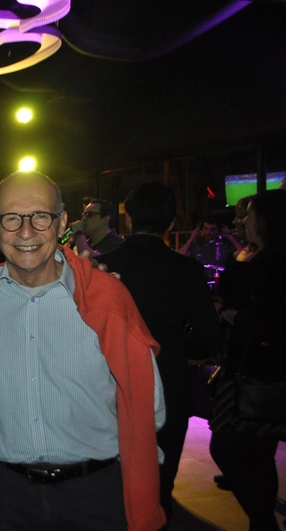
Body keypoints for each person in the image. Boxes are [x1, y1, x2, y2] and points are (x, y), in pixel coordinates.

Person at [0, 172, 166, 531]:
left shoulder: (105, 297)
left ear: (61, 223)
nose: (26, 232)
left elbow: (149, 404)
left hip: (95, 495)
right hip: (3, 496)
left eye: (40, 216)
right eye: (11, 218)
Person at [96, 182, 223, 524]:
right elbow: (211, 338)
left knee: (112, 481)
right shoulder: (187, 270)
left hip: (110, 383)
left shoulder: (103, 267)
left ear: (128, 216)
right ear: (171, 221)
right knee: (159, 485)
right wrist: (178, 349)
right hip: (168, 381)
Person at [210, 189, 286, 531]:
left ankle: (263, 523)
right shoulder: (253, 256)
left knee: (225, 448)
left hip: (252, 369)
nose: (241, 221)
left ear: (268, 220)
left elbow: (269, 320)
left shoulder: (271, 262)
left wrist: (227, 314)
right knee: (260, 456)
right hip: (261, 369)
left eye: (248, 214)